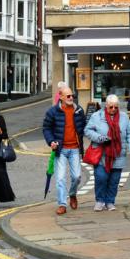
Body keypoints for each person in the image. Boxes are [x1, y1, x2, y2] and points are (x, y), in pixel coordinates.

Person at [84, 94, 130, 211]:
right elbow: (87, 130)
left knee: (114, 181)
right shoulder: (96, 116)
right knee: (101, 178)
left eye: (116, 107)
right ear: (106, 106)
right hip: (101, 153)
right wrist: (100, 138)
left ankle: (110, 201)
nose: (113, 109)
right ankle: (99, 200)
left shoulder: (124, 117)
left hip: (118, 154)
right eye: (111, 107)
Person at [43, 85, 86, 215]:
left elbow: (84, 127)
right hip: (60, 150)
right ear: (61, 97)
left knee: (77, 177)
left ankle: (72, 194)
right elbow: (46, 128)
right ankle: (62, 204)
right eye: (68, 96)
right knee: (60, 178)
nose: (71, 98)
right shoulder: (52, 112)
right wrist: (51, 141)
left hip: (75, 149)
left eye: (72, 95)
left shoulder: (79, 110)